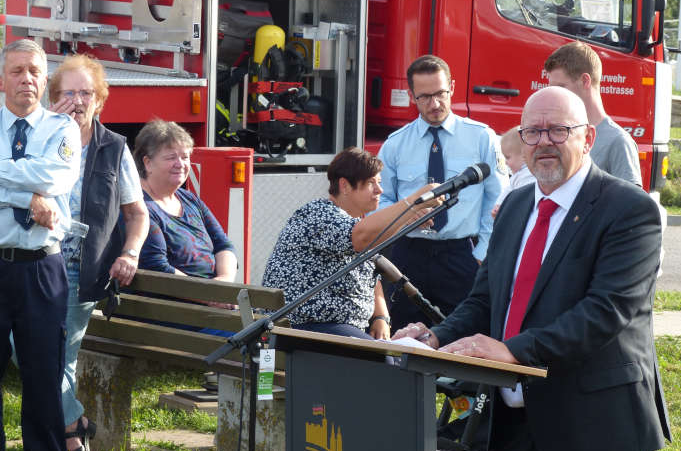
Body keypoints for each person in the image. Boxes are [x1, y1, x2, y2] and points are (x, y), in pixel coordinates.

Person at [394, 86, 671, 451]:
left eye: (558, 131)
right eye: (533, 132)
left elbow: (605, 312)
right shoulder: (516, 204)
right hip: (510, 425)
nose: (544, 142)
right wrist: (435, 337)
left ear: (587, 138)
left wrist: (511, 351)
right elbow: (485, 299)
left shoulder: (629, 210)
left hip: (591, 429)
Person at [22, 54, 148, 451]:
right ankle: (73, 423)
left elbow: (137, 213)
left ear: (100, 100)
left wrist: (130, 252)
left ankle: (66, 439)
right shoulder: (36, 135)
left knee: (59, 356)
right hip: (31, 260)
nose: (77, 100)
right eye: (68, 92)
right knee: (24, 350)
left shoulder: (114, 148)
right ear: (52, 97)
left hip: (78, 267)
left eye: (86, 93)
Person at [0, 39, 81, 451]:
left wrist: (8, 178)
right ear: (3, 79)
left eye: (34, 71)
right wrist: (28, 196)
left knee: (43, 373)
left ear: (43, 78)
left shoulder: (62, 128)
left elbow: (57, 179)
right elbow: (40, 182)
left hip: (41, 269)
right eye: (17, 71)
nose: (26, 79)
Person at [377, 55, 506, 330]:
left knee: (465, 338)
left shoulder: (482, 137)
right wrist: (404, 215)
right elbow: (381, 199)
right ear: (412, 96)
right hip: (408, 255)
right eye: (424, 97)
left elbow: (497, 200)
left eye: (440, 94)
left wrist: (481, 254)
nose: (434, 104)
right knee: (405, 338)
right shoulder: (395, 145)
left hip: (462, 254)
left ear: (453, 88)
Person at [263, 147, 439, 339]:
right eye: (371, 183)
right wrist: (414, 203)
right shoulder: (318, 214)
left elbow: (369, 274)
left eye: (379, 182)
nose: (380, 190)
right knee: (389, 363)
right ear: (345, 186)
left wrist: (381, 316)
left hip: (331, 328)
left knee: (397, 357)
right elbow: (361, 238)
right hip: (305, 329)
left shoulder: (351, 222)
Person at [134, 120, 237, 285]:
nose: (180, 164)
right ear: (148, 163)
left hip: (213, 296)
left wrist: (224, 280)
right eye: (171, 157)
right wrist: (210, 296)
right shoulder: (139, 207)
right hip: (180, 304)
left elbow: (223, 245)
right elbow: (157, 267)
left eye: (185, 157)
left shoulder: (189, 198)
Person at [544, 40, 642, 187]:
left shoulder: (618, 141)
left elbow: (631, 206)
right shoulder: (559, 134)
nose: (555, 95)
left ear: (585, 81)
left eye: (561, 87)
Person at [491, 126, 534, 218]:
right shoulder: (519, 175)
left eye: (508, 157)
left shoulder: (528, 176)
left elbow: (520, 197)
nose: (506, 162)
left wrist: (501, 206)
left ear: (524, 155)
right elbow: (508, 190)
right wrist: (499, 205)